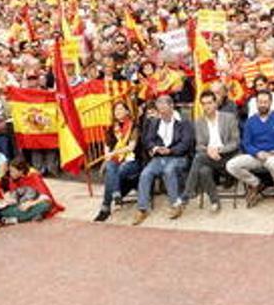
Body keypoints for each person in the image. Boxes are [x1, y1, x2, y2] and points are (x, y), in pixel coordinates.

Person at [226, 90, 274, 208]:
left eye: (265, 102)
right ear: (256, 103)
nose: (262, 104)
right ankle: (256, 183)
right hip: (256, 156)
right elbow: (246, 143)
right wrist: (256, 152)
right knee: (231, 165)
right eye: (260, 102)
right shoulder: (251, 121)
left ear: (270, 103)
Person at [134, 95, 193, 225]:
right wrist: (155, 148)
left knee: (169, 170)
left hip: (178, 157)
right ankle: (142, 208)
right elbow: (147, 140)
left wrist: (170, 150)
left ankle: (176, 204)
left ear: (171, 107)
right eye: (160, 110)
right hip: (159, 157)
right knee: (145, 174)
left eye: (164, 110)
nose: (162, 113)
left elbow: (186, 143)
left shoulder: (183, 121)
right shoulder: (155, 122)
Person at [182, 90, 240, 212]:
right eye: (203, 103)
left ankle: (185, 196)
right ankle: (215, 202)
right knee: (203, 170)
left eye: (209, 103)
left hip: (228, 157)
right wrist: (209, 150)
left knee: (198, 159)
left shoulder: (229, 118)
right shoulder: (199, 122)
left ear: (216, 103)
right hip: (209, 158)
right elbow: (199, 146)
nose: (206, 106)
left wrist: (219, 150)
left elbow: (235, 142)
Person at [93, 101, 142, 222]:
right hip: (116, 161)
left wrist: (113, 154)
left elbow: (131, 147)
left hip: (132, 160)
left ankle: (106, 207)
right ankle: (116, 195)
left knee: (117, 170)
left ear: (127, 111)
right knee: (111, 166)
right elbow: (107, 148)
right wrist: (107, 156)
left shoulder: (133, 126)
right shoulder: (111, 129)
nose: (118, 112)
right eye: (116, 110)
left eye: (121, 109)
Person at [0, 158, 64, 222]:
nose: (10, 173)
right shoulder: (12, 179)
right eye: (10, 171)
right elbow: (13, 196)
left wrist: (30, 204)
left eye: (13, 171)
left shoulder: (33, 176)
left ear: (21, 171)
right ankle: (30, 216)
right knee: (3, 211)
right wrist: (9, 201)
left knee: (45, 205)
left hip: (34, 203)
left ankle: (17, 219)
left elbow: (46, 197)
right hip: (20, 205)